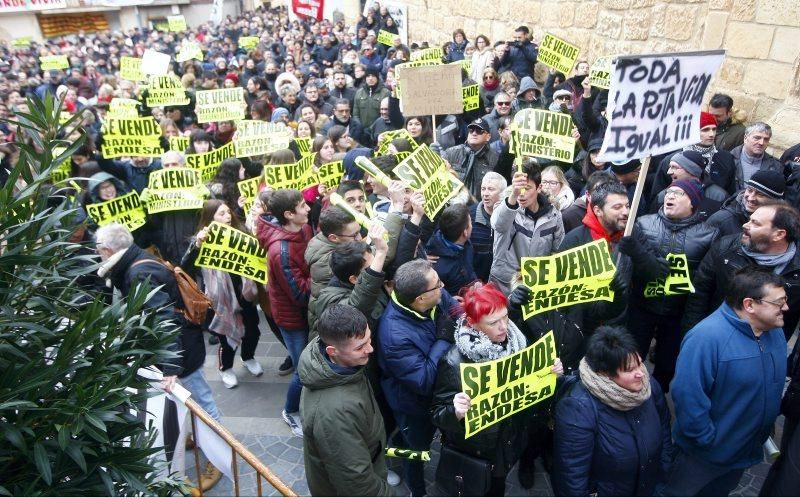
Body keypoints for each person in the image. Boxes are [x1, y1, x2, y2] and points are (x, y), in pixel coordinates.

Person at [95, 223, 223, 492]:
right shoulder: (136, 258)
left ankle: (219, 458)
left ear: (107, 250)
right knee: (192, 402)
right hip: (181, 348)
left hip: (180, 353)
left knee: (203, 404)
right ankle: (199, 439)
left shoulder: (139, 272)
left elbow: (164, 320)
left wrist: (171, 367)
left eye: (99, 250)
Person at [664, 267, 788, 496]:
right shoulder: (706, 338)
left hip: (743, 451)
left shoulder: (774, 331)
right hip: (704, 456)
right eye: (779, 303)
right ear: (749, 304)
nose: (786, 308)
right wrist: (707, 440)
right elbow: (688, 395)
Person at [431, 284, 562, 496]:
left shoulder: (518, 341)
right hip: (481, 450)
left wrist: (550, 373)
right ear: (473, 324)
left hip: (510, 440)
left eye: (505, 317)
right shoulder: (454, 362)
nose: (504, 327)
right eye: (493, 322)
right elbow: (437, 415)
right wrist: (455, 411)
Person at [553, 326, 673, 497]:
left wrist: (663, 470)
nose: (641, 373)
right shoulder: (577, 409)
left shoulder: (649, 386)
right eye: (629, 370)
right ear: (605, 374)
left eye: (639, 363)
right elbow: (572, 475)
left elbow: (664, 431)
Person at [377, 259, 461, 497]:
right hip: (413, 406)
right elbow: (423, 380)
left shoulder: (434, 297)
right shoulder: (394, 335)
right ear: (420, 299)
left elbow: (455, 311)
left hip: (438, 395)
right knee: (416, 449)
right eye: (437, 285)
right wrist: (444, 339)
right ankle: (417, 489)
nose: (443, 287)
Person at [626, 179, 718, 391]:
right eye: (668, 192)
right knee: (632, 356)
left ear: (693, 202)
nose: (670, 196)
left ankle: (658, 396)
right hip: (642, 306)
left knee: (668, 364)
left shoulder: (709, 234)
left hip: (678, 312)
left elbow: (706, 280)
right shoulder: (643, 223)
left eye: (678, 193)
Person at [299, 304, 392, 497]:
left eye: (368, 339)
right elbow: (356, 483)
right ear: (332, 351)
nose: (370, 349)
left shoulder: (341, 363)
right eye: (360, 347)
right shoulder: (335, 412)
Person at [683, 202, 800, 340]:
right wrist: (692, 334)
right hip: (716, 337)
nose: (745, 225)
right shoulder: (725, 248)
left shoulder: (796, 268)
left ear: (779, 234)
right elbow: (699, 293)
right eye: (749, 219)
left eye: (756, 223)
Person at [181, 200, 263, 389]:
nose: (227, 217)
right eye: (221, 214)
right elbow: (184, 267)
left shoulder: (241, 234)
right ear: (210, 219)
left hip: (245, 296)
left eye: (228, 212)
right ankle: (225, 368)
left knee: (253, 332)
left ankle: (248, 356)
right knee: (226, 339)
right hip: (219, 302)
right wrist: (197, 246)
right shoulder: (200, 241)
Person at [256, 188, 313, 437]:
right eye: (303, 206)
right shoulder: (280, 251)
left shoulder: (304, 229)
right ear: (289, 214)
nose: (309, 208)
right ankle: (290, 411)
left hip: (304, 314)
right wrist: (322, 274)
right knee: (302, 370)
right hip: (292, 319)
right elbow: (300, 294)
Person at [490, 163, 564, 295]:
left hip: (536, 286)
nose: (521, 194)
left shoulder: (554, 215)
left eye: (527, 188)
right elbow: (499, 225)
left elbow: (558, 251)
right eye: (519, 188)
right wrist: (513, 195)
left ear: (539, 187)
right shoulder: (506, 206)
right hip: (504, 284)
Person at [706, 169, 785, 236]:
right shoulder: (721, 220)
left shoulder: (783, 224)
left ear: (775, 201)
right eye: (749, 190)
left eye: (760, 195)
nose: (750, 198)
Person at [425, 203, 478, 295]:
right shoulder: (436, 266)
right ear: (465, 232)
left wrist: (474, 281)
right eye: (470, 223)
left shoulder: (467, 244)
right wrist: (450, 302)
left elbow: (468, 268)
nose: (472, 225)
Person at [443, 118, 499, 200]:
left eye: (479, 131)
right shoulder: (451, 153)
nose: (474, 133)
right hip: (454, 204)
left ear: (488, 137)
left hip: (481, 206)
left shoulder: (495, 158)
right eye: (471, 130)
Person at [469, 172, 506, 282]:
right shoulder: (468, 215)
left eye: (491, 189)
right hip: (474, 283)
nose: (485, 193)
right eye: (483, 189)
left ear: (502, 193)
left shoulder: (512, 217)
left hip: (501, 282)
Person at [732, 122, 784, 191]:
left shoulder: (776, 166)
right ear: (745, 138)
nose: (761, 143)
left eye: (766, 139)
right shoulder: (728, 159)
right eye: (757, 138)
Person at [353, 67, 390, 131]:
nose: (370, 78)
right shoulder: (359, 92)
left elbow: (386, 114)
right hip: (362, 130)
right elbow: (355, 114)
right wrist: (359, 127)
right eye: (368, 76)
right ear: (365, 78)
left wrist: (371, 128)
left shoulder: (385, 93)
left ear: (377, 78)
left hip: (379, 129)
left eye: (373, 76)